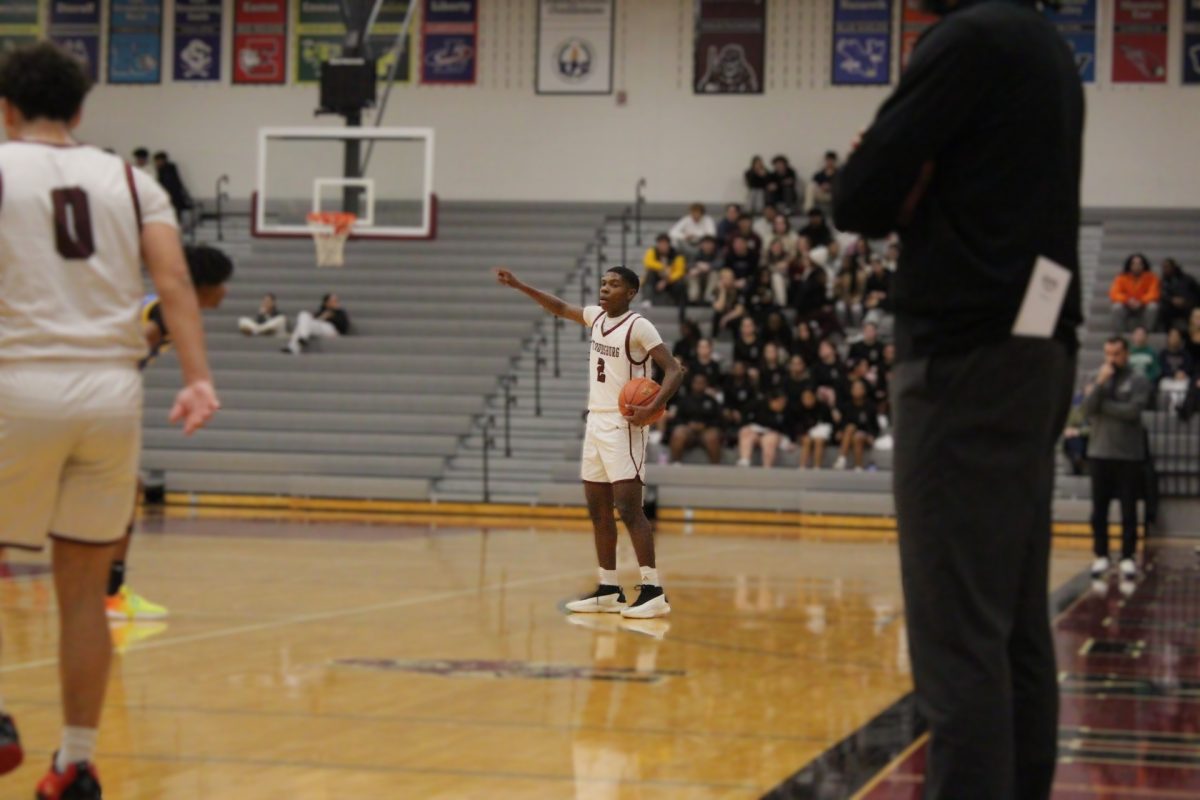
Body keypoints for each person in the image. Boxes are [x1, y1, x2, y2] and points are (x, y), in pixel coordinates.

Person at [833, 1, 1083, 797]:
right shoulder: (1044, 44)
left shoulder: (964, 41)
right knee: (1012, 628)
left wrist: (888, 168)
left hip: (965, 357)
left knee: (959, 641)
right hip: (1036, 347)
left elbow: (859, 198)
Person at [0, 42, 219, 799]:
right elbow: (173, 279)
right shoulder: (130, 180)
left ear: (5, 108)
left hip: (17, 381)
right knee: (86, 589)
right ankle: (76, 762)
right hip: (109, 392)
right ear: (82, 110)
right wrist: (196, 377)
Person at [496, 265, 683, 619]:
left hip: (624, 423)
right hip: (595, 421)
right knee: (598, 510)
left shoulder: (638, 325)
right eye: (603, 283)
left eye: (614, 285)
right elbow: (560, 307)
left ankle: (653, 590)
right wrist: (521, 285)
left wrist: (652, 410)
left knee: (629, 509)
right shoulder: (596, 318)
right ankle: (609, 589)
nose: (605, 288)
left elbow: (673, 370)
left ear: (630, 293)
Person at [107, 245, 233, 623]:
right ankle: (109, 595)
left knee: (127, 490)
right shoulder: (164, 314)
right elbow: (135, 340)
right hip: (85, 399)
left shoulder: (163, 309)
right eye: (222, 283)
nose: (226, 292)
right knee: (124, 491)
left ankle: (109, 593)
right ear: (202, 286)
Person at [1084, 338, 1151, 581]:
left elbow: (1132, 412)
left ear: (1126, 354)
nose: (1111, 359)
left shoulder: (1138, 380)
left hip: (1128, 455)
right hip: (1099, 452)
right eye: (1108, 353)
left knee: (1128, 509)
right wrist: (1100, 386)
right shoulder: (1095, 376)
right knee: (1098, 509)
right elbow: (1088, 409)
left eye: (1117, 353)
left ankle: (1127, 556)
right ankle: (1101, 554)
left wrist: (1103, 405)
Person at [667, 372, 724, 465]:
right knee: (678, 433)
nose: (699, 385)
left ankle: (715, 466)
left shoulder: (712, 401)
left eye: (702, 383)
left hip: (706, 431)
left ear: (706, 384)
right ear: (692, 384)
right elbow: (677, 419)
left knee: (712, 436)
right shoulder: (684, 400)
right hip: (689, 432)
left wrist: (705, 425)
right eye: (697, 382)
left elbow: (719, 420)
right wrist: (688, 425)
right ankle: (676, 464)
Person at [832, 378, 880, 471]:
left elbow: (875, 426)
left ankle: (856, 464)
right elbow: (843, 423)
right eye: (854, 388)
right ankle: (844, 460)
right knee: (851, 428)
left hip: (865, 435)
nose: (856, 391)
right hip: (849, 434)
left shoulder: (870, 407)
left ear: (864, 391)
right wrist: (840, 431)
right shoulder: (847, 406)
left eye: (859, 388)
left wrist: (872, 436)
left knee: (857, 436)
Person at [737, 390, 793, 468]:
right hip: (755, 433)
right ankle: (745, 460)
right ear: (772, 401)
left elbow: (787, 429)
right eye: (780, 402)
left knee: (769, 439)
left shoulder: (786, 412)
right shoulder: (758, 405)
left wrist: (787, 441)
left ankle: (767, 466)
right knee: (745, 431)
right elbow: (745, 418)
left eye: (783, 403)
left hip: (772, 436)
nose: (782, 405)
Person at [284, 294, 350, 355]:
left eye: (336, 301)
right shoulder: (321, 311)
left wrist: (332, 317)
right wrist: (323, 316)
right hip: (319, 327)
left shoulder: (341, 313)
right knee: (304, 314)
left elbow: (344, 326)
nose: (336, 303)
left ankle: (294, 345)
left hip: (332, 329)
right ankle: (301, 340)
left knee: (301, 326)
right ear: (326, 303)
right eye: (333, 301)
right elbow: (314, 320)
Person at [1110, 253, 1160, 333]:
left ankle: (1147, 332)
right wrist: (1128, 300)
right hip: (1127, 305)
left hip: (1143, 305)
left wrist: (1141, 301)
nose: (1137, 266)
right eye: (1134, 264)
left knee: (1153, 307)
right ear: (1129, 265)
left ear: (1144, 265)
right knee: (1116, 307)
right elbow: (1114, 293)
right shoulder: (1121, 277)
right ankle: (1120, 334)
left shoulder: (1152, 277)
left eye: (1139, 264)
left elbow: (1154, 293)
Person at [641, 234, 687, 310]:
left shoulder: (677, 255)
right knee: (649, 274)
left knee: (680, 283)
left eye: (665, 244)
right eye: (660, 244)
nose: (662, 246)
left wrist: (666, 281)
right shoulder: (652, 251)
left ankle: (677, 304)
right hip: (656, 278)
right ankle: (647, 300)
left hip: (670, 279)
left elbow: (680, 271)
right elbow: (648, 263)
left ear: (669, 244)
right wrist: (663, 267)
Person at [795, 387, 833, 469]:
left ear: (814, 397)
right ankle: (802, 466)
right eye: (805, 398)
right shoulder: (798, 409)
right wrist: (802, 433)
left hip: (820, 434)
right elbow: (796, 424)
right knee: (807, 440)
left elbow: (829, 423)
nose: (807, 400)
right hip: (804, 433)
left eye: (809, 398)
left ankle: (817, 467)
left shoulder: (823, 408)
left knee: (819, 441)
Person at [1157, 258, 1197, 333]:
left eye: (1167, 267)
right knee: (1163, 308)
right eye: (1164, 267)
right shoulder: (1163, 281)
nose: (1165, 269)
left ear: (1174, 267)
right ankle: (1168, 331)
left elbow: (1196, 293)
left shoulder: (1188, 279)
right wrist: (1172, 300)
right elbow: (1162, 295)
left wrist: (1186, 300)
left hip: (1187, 304)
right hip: (1171, 305)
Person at [153, 150, 193, 221]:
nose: (157, 163)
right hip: (171, 194)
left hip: (172, 194)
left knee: (174, 213)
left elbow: (172, 182)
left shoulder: (167, 169)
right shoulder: (167, 169)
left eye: (158, 161)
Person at [687, 236, 721, 304]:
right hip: (698, 276)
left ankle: (708, 295)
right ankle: (693, 296)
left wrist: (707, 267)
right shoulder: (696, 253)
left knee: (715, 274)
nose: (707, 246)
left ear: (713, 245)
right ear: (701, 245)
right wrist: (698, 265)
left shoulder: (718, 253)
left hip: (711, 276)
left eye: (709, 243)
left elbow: (719, 264)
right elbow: (689, 264)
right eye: (705, 243)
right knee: (692, 274)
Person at [806, 150, 839, 216]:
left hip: (832, 195)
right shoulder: (819, 174)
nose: (829, 162)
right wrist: (821, 187)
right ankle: (809, 210)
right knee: (811, 186)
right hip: (821, 194)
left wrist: (831, 187)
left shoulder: (839, 173)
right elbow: (814, 184)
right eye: (828, 160)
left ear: (834, 161)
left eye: (831, 160)